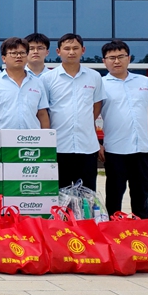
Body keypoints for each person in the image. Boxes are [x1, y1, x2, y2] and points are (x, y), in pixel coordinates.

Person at [100, 40, 148, 219]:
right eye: (111, 57)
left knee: (141, 196)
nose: (116, 61)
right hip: (115, 151)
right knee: (114, 197)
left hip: (142, 149)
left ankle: (142, 233)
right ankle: (113, 232)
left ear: (129, 58)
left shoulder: (144, 81)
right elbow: (91, 114)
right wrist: (98, 144)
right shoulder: (101, 84)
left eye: (121, 56)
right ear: (104, 61)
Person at [41, 33, 106, 191]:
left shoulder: (94, 76)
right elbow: (43, 110)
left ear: (83, 50)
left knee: (87, 194)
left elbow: (97, 105)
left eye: (75, 48)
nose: (71, 52)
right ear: (58, 51)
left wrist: (86, 122)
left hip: (87, 146)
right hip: (59, 145)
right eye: (67, 48)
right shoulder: (47, 78)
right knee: (60, 194)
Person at [0, 37, 50, 130]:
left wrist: (46, 137)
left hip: (32, 137)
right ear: (4, 58)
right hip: (2, 136)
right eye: (13, 53)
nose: (18, 56)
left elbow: (42, 113)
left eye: (22, 53)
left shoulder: (37, 83)